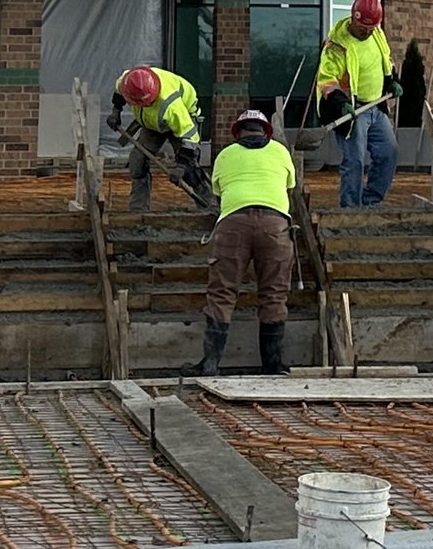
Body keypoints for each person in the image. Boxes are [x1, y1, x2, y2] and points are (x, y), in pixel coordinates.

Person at [198, 107, 298, 376]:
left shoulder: (225, 154)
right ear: (266, 132)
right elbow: (289, 187)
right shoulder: (280, 151)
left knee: (222, 291)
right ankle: (273, 366)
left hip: (233, 224)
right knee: (274, 294)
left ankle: (210, 365)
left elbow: (218, 192)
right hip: (275, 226)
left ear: (238, 133)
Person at [315, 0, 398, 208]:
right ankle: (350, 209)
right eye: (363, 28)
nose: (367, 32)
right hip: (352, 111)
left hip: (376, 107)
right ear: (354, 19)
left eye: (371, 29)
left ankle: (371, 202)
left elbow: (386, 60)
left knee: (389, 153)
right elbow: (327, 80)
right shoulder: (336, 46)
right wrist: (340, 103)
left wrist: (392, 81)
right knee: (355, 161)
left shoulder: (377, 34)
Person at [108, 64, 212, 212]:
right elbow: (119, 92)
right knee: (138, 161)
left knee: (190, 172)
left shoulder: (171, 106)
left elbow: (190, 137)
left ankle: (208, 206)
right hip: (152, 124)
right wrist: (116, 111)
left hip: (181, 124)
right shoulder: (129, 81)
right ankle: (138, 210)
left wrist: (182, 166)